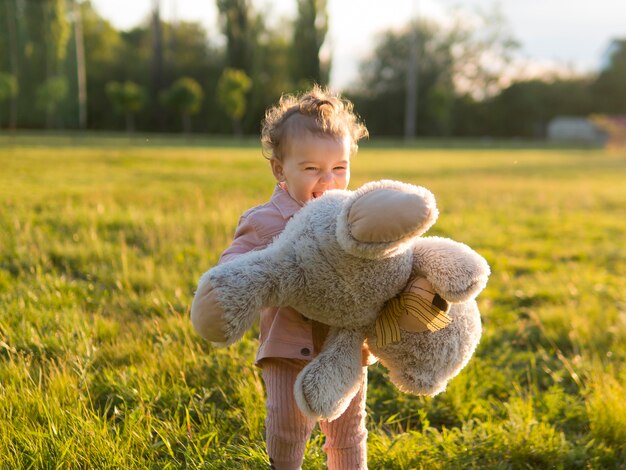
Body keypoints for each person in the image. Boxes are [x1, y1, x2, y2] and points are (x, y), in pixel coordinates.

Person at [191, 86, 440, 469]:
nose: (328, 180)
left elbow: (389, 260)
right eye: (311, 169)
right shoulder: (263, 221)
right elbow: (235, 269)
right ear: (280, 169)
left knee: (348, 431)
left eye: (339, 168)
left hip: (347, 345)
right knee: (288, 429)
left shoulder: (355, 219)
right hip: (287, 350)